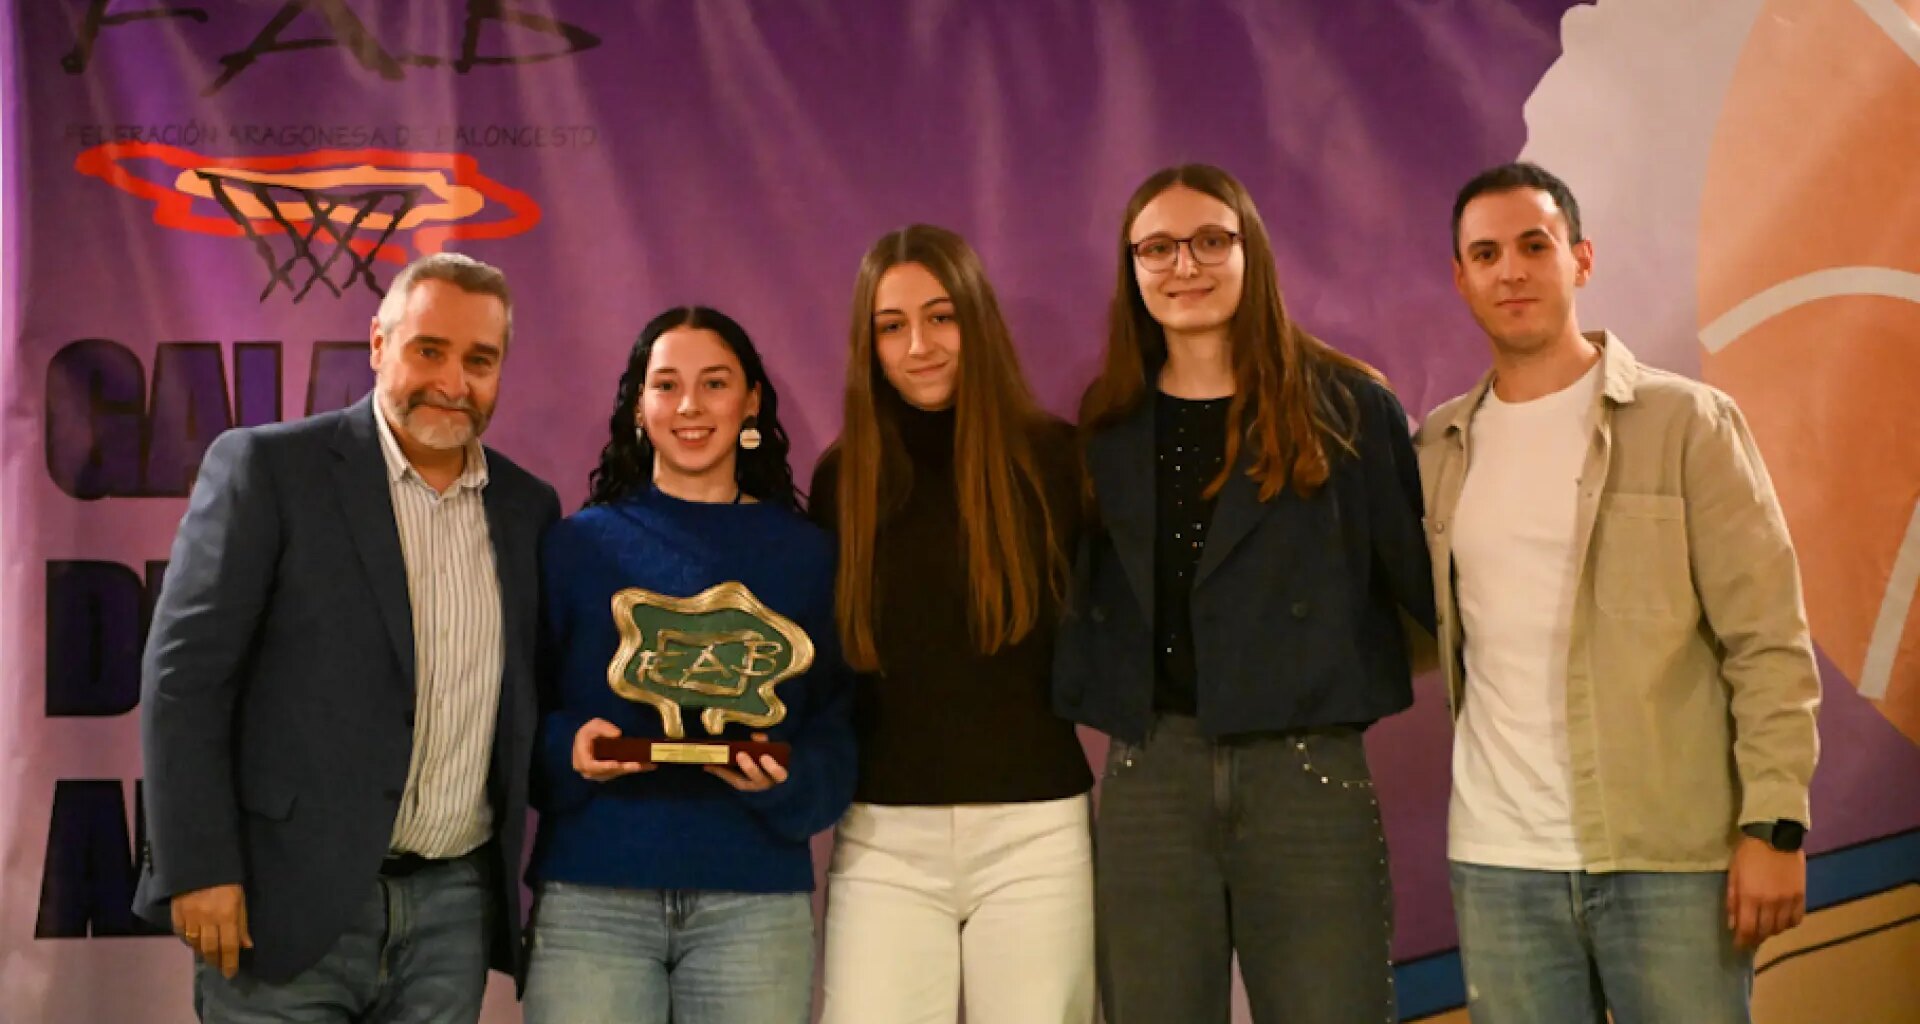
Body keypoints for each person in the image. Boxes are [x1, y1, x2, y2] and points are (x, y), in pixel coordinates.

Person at [1420, 161, 1820, 1024]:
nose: (1511, 270)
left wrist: (1774, 825)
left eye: (1535, 245)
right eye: (1486, 254)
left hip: (1671, 860)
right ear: (1460, 278)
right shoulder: (1437, 450)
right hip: (1499, 866)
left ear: (1582, 258)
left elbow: (1768, 641)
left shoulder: (1687, 424)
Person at [134, 252, 560, 1021]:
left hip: (452, 913)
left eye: (479, 360)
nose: (453, 382)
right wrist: (196, 866)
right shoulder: (269, 469)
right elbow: (184, 680)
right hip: (282, 902)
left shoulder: (528, 508)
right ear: (377, 344)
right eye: (429, 350)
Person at [1055, 163, 1435, 1023]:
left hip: (1307, 770)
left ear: (1249, 250)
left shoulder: (1347, 405)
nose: (1183, 265)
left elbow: (1423, 597)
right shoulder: (1109, 425)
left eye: (1208, 241)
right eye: (1157, 248)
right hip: (1152, 773)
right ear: (1131, 267)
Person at [521, 305, 855, 1024]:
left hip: (753, 898)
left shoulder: (809, 555)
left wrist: (791, 780)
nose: (690, 406)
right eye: (667, 385)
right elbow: (518, 711)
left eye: (715, 383)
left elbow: (840, 722)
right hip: (592, 898)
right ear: (638, 406)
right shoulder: (574, 549)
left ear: (751, 401)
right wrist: (567, 750)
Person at [812, 225, 1096, 1024]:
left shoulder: (1058, 460)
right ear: (868, 343)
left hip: (1036, 831)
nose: (919, 345)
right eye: (892, 325)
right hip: (882, 840)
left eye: (941, 317)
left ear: (979, 319)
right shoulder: (842, 478)